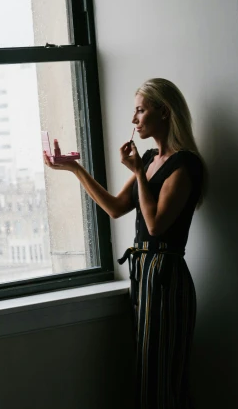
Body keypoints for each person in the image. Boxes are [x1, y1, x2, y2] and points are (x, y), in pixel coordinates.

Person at [44, 78, 205, 409]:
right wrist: (75, 168)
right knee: (149, 368)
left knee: (161, 372)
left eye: (140, 110)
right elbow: (116, 208)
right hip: (144, 273)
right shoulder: (148, 159)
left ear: (163, 111)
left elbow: (156, 224)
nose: (134, 120)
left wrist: (138, 172)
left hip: (165, 275)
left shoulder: (185, 164)